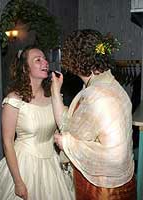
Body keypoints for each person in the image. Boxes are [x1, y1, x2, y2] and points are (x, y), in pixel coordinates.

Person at [51, 29, 136, 200]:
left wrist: (64, 141)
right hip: (124, 180)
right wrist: (56, 90)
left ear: (74, 61)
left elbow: (67, 128)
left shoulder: (95, 94)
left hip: (102, 187)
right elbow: (77, 121)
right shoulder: (113, 86)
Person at [0, 46, 74, 200]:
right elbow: (7, 142)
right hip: (23, 164)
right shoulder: (14, 99)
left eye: (44, 59)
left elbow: (59, 128)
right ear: (26, 69)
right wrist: (18, 182)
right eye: (37, 60)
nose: (45, 62)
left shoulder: (53, 96)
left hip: (51, 163)